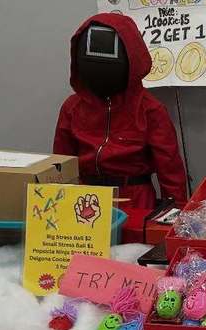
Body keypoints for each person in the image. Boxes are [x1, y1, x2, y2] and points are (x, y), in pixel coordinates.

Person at [53, 13, 187, 213]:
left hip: (134, 203)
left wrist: (176, 217)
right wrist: (57, 209)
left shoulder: (150, 110)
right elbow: (60, 167)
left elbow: (170, 173)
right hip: (83, 203)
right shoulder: (72, 108)